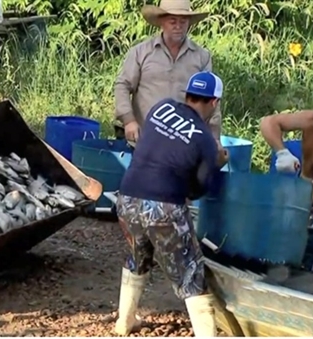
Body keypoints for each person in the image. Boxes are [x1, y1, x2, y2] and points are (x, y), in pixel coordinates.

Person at [113, 71, 229, 337]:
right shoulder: (204, 140)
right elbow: (197, 190)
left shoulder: (161, 107)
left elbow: (157, 147)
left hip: (127, 196)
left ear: (187, 95)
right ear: (214, 103)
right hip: (163, 207)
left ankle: (125, 321)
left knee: (137, 256)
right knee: (191, 272)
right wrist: (215, 163)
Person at [114, 0, 222, 146]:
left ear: (189, 23)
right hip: (144, 139)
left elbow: (211, 99)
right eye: (172, 21)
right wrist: (129, 121)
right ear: (161, 22)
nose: (178, 27)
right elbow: (123, 85)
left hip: (184, 142)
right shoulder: (141, 52)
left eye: (183, 21)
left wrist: (214, 138)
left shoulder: (201, 57)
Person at [259, 110, 313, 201]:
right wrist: (282, 153)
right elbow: (268, 122)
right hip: (304, 184)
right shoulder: (312, 119)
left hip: (306, 197)